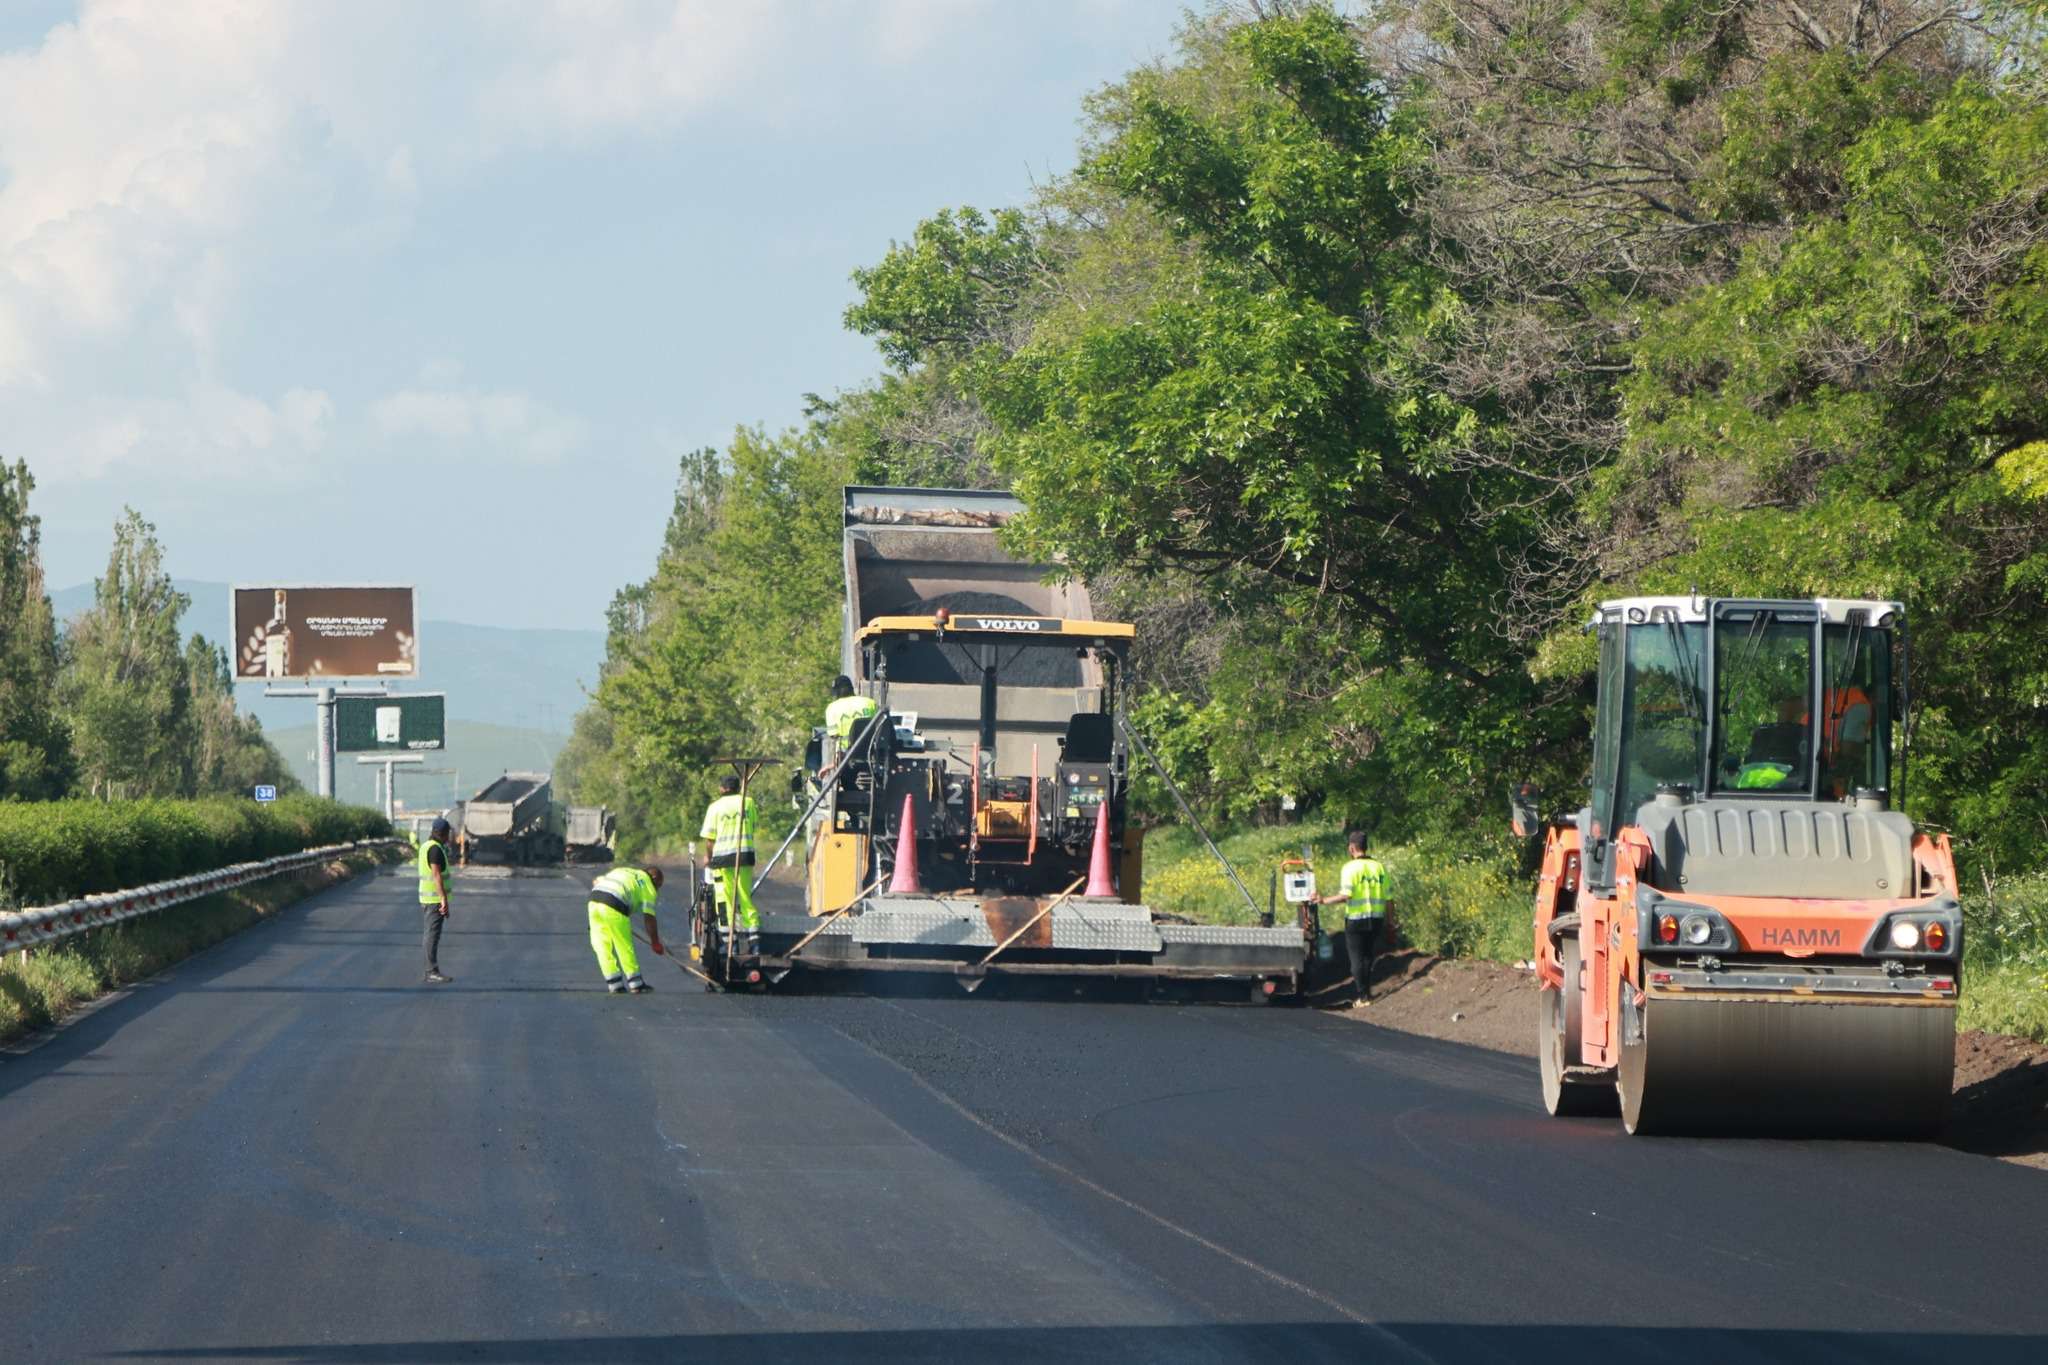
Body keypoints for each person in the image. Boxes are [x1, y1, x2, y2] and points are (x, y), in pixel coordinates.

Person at [1314, 830, 1389, 1006]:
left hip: (1356, 919)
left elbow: (1346, 895)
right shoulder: (1379, 867)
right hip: (1376, 919)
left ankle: (1363, 997)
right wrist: (1391, 922)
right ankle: (1367, 994)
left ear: (1352, 848)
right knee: (1368, 957)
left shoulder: (1350, 868)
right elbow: (1389, 898)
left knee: (1356, 960)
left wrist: (1323, 900)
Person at [700, 773, 761, 948]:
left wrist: (708, 857)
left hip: (722, 860)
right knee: (745, 897)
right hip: (744, 856)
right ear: (738, 787)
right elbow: (753, 826)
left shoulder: (715, 807)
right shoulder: (748, 802)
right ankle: (754, 942)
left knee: (724, 899)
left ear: (722, 788)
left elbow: (710, 839)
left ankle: (729, 943)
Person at [588, 864, 665, 994]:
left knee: (601, 945)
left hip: (594, 901)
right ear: (654, 878)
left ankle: (614, 983)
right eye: (658, 886)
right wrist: (655, 942)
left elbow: (596, 880)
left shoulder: (624, 870)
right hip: (614, 904)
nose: (657, 890)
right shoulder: (648, 885)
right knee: (623, 944)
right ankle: (636, 983)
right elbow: (649, 918)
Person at [418, 816, 454, 984]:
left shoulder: (427, 846)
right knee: (432, 935)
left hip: (429, 898)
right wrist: (443, 899)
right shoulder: (435, 849)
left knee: (431, 933)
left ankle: (431, 970)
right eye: (448, 833)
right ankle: (431, 971)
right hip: (433, 899)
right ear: (443, 833)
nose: (449, 837)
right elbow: (436, 875)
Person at [824, 675, 879, 753]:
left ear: (837, 691)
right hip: (871, 751)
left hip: (846, 754)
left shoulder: (832, 708)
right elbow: (880, 726)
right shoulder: (870, 703)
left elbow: (833, 735)